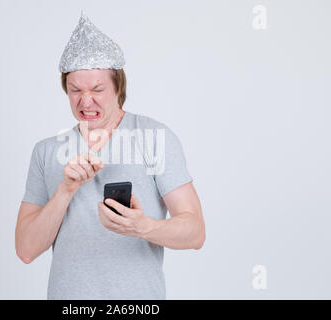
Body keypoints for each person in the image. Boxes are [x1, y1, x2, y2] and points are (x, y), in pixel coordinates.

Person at [15, 11, 205, 300]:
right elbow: (26, 250)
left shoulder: (155, 138)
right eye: (75, 90)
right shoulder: (46, 151)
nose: (85, 101)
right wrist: (65, 190)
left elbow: (195, 232)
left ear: (118, 88)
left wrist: (143, 226)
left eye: (97, 89)